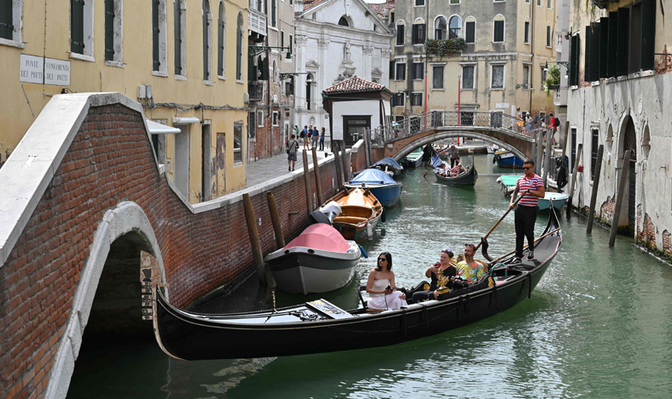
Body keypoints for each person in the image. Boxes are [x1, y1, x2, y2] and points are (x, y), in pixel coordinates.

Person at [509, 159, 545, 262]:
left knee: (529, 232)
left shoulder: (538, 179)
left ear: (532, 168)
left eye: (527, 168)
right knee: (519, 233)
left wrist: (529, 191)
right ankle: (518, 255)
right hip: (519, 208)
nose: (525, 169)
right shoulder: (520, 179)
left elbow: (542, 194)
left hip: (530, 209)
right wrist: (511, 203)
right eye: (524, 168)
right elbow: (515, 192)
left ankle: (531, 250)